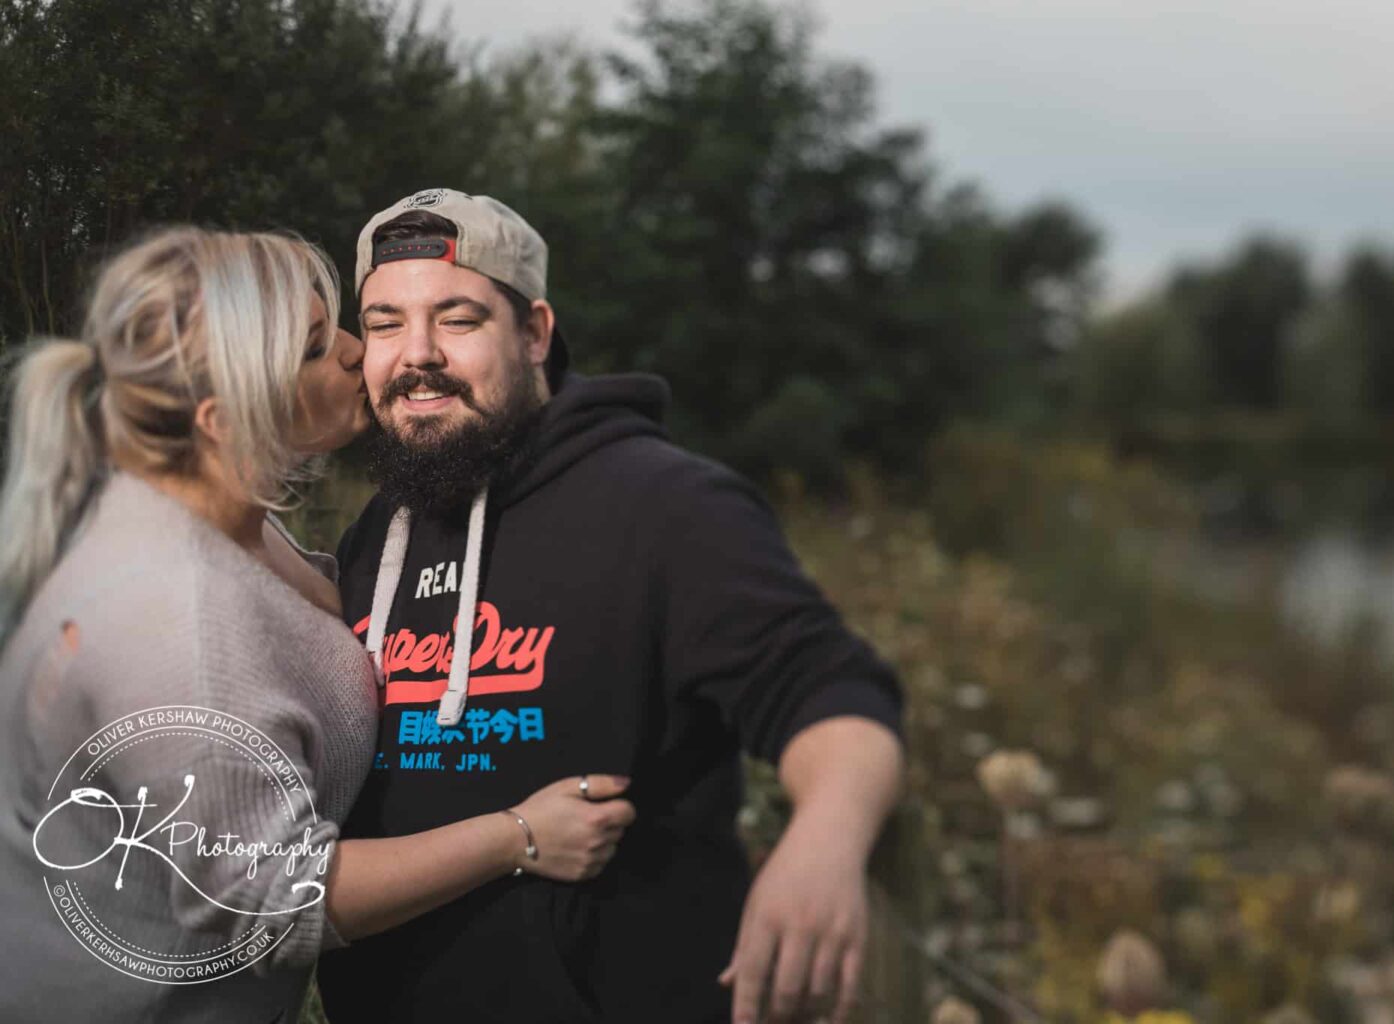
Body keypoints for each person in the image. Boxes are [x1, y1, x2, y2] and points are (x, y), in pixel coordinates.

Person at [0, 227, 631, 1023]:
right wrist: (519, 834)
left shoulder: (224, 518)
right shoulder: (178, 620)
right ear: (221, 418)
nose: (352, 350)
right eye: (308, 349)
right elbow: (276, 900)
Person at [316, 189, 906, 1024]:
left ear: (534, 334)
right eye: (383, 323)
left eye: (457, 319)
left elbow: (833, 692)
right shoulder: (380, 531)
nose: (417, 355)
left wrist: (825, 843)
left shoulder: (666, 507)